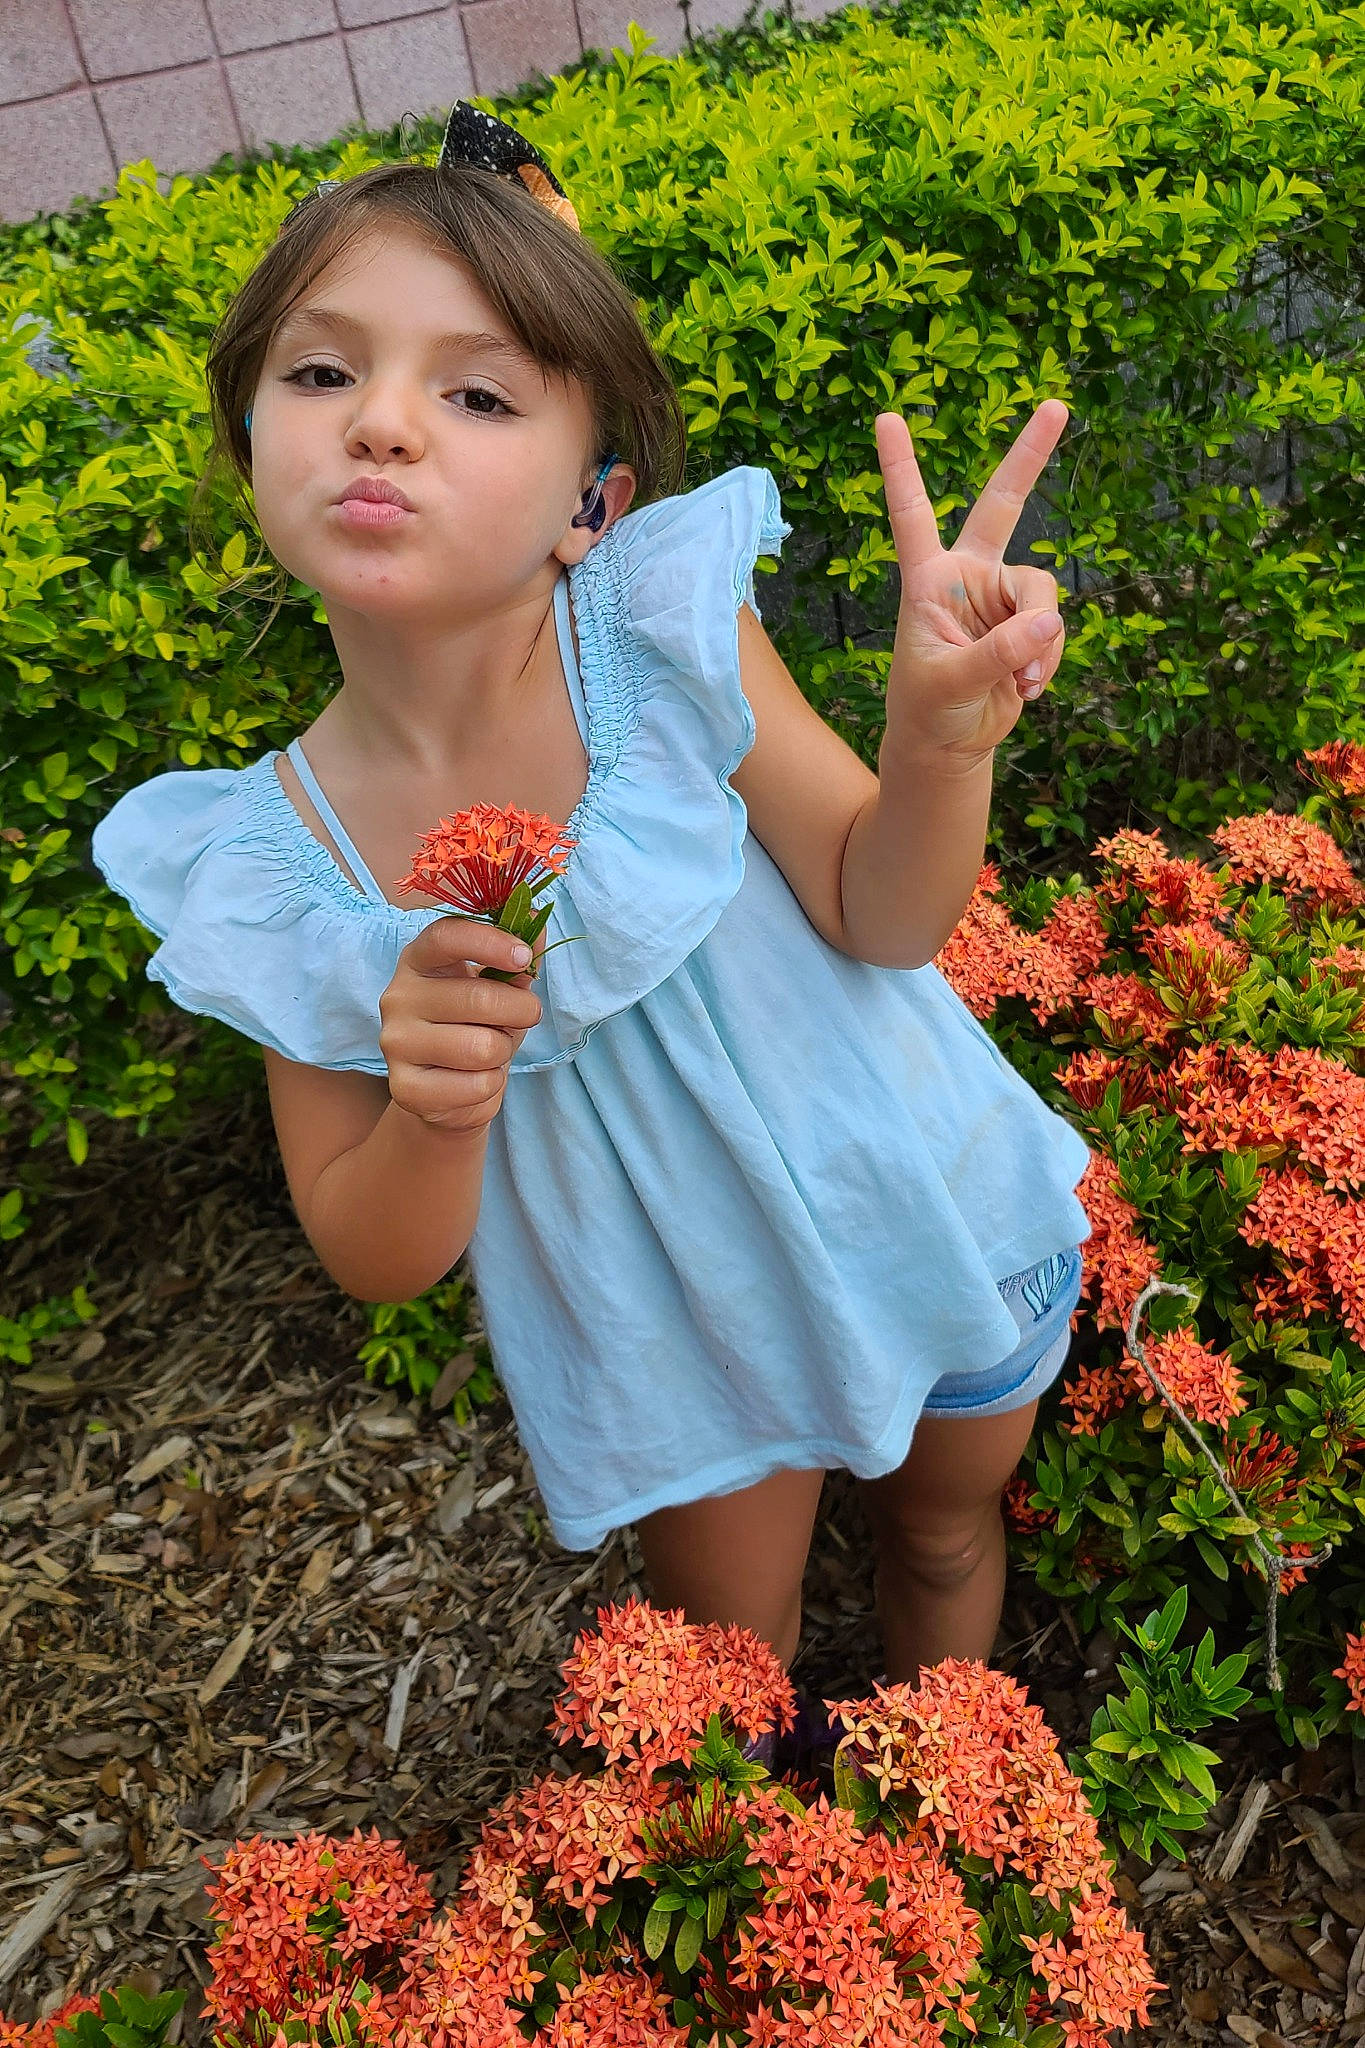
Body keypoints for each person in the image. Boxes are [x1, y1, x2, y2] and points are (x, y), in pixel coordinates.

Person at [92, 99, 1093, 1700]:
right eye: (322, 371)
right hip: (676, 1334)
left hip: (914, 1203)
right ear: (248, 444)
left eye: (475, 391)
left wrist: (936, 740)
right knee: (720, 1686)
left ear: (593, 504)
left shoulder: (656, 636)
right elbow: (372, 1250)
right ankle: (776, 1918)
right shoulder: (273, 860)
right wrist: (429, 1099)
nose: (382, 424)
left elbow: (878, 912)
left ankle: (943, 1811)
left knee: (946, 1535)